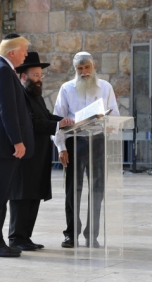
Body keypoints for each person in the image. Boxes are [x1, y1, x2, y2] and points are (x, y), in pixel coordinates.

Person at [8, 52, 74, 251]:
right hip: (25, 157)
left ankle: (25, 237)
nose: (39, 79)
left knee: (34, 196)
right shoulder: (19, 95)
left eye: (40, 75)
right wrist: (58, 124)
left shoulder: (36, 96)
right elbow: (32, 123)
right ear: (24, 76)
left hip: (38, 157)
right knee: (22, 197)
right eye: (35, 75)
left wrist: (66, 122)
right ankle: (16, 237)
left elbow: (45, 116)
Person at [53, 52, 120, 248]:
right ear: (75, 70)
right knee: (72, 191)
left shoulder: (105, 87)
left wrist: (111, 125)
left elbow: (114, 114)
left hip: (97, 142)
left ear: (93, 67)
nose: (84, 72)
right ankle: (71, 234)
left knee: (97, 190)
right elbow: (58, 119)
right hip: (75, 143)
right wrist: (61, 147)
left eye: (87, 68)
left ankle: (92, 234)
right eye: (80, 69)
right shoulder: (66, 88)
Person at [0, 34, 34, 258]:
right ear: (12, 52)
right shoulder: (2, 70)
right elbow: (7, 110)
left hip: (0, 143)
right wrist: (17, 141)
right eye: (23, 50)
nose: (26, 54)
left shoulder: (1, 68)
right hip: (1, 144)